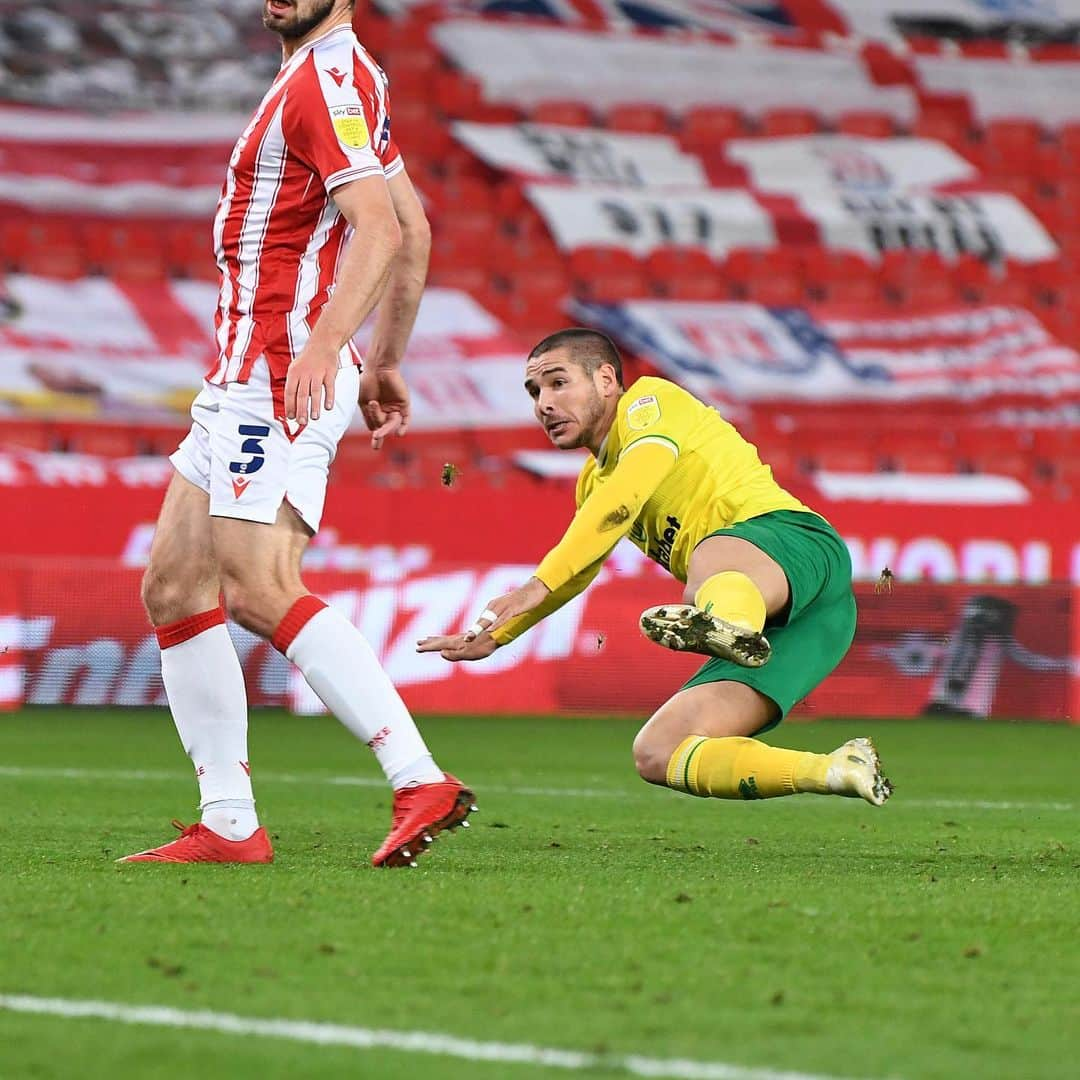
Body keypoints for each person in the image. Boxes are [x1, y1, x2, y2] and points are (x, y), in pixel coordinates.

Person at [123, 0, 475, 867]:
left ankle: (416, 775)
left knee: (256, 584)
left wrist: (325, 346)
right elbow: (415, 226)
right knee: (175, 585)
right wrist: (384, 358)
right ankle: (230, 821)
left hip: (275, 372)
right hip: (239, 374)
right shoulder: (340, 77)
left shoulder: (325, 78)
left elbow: (383, 229)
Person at [418, 328, 892, 808]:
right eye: (535, 392)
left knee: (708, 558)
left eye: (558, 383)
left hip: (793, 544)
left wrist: (535, 584)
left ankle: (726, 624)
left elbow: (625, 499)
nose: (544, 403)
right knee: (658, 751)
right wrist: (499, 634)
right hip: (815, 625)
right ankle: (837, 769)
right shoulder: (592, 483)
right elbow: (580, 572)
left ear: (606, 379)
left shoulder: (649, 402)